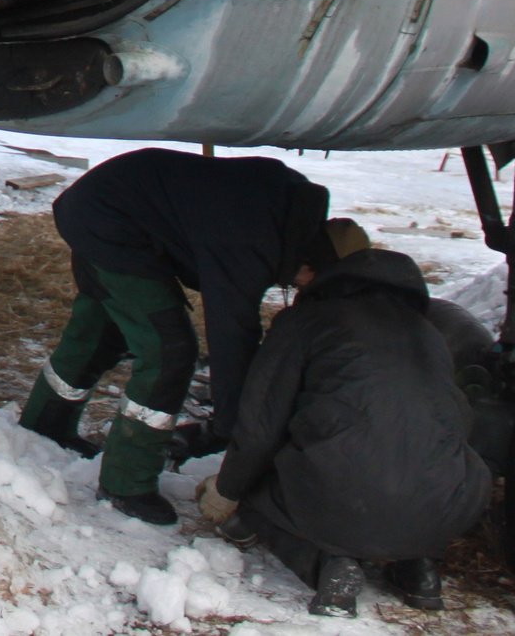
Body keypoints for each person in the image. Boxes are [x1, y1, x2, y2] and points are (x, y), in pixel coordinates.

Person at [17, 148, 350, 524]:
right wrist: (231, 426)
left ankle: (45, 424)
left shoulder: (289, 209)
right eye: (312, 285)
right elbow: (232, 335)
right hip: (110, 219)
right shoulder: (253, 240)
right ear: (310, 263)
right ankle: (126, 483)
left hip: (109, 202)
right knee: (170, 349)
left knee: (101, 330)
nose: (302, 290)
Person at [197, 246, 492, 617]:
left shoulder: (306, 321)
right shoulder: (430, 333)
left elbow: (260, 426)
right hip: (443, 511)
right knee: (420, 463)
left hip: (341, 493)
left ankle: (330, 566)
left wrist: (228, 490)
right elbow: (456, 423)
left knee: (259, 489)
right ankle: (420, 570)